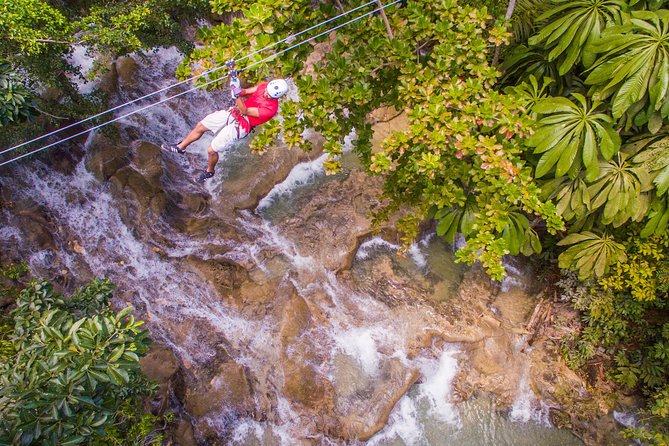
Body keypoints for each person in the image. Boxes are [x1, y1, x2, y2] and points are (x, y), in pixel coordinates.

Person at [162, 78, 289, 183]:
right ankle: (180, 147)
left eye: (270, 95)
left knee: (211, 150)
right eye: (267, 91)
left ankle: (209, 171)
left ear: (276, 97)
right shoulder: (264, 86)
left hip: (242, 125)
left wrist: (237, 95)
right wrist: (236, 85)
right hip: (234, 112)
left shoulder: (270, 110)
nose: (266, 94)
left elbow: (244, 110)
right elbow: (244, 91)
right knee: (201, 126)